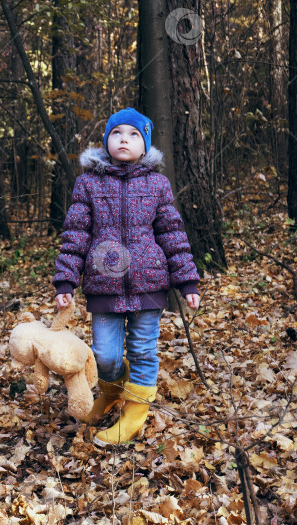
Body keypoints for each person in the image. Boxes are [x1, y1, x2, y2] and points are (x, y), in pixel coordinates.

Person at [52, 107, 201, 446]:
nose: (125, 139)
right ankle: (113, 391)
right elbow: (75, 235)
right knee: (105, 354)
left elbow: (172, 233)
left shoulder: (157, 184)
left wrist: (187, 282)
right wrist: (65, 281)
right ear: (106, 141)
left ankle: (135, 413)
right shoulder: (88, 183)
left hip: (149, 285)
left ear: (145, 144)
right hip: (103, 286)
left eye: (134, 135)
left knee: (143, 350)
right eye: (117, 133)